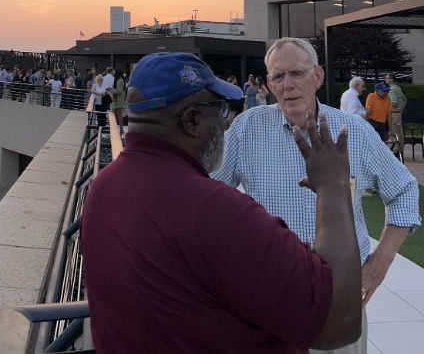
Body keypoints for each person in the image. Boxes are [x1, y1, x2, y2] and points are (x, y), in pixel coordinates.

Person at [82, 52, 363, 353]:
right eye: (220, 109)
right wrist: (333, 186)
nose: (225, 121)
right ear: (192, 120)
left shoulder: (103, 187)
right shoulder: (214, 211)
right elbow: (339, 322)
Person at [214, 38, 419, 354]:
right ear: (268, 83)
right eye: (278, 77)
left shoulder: (352, 131)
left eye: (297, 73)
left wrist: (382, 260)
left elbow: (404, 190)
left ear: (318, 76)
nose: (288, 85)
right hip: (267, 293)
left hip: (338, 295)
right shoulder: (247, 129)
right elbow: (208, 194)